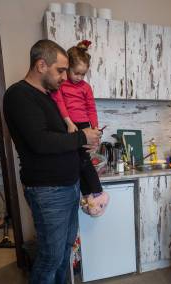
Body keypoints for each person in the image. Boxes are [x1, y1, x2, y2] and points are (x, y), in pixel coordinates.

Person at [3, 39, 101, 284]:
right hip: (47, 190)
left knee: (64, 249)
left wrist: (82, 143)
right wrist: (79, 138)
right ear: (41, 65)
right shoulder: (19, 96)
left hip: (68, 185)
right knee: (49, 255)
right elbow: (40, 142)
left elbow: (62, 139)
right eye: (60, 70)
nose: (64, 76)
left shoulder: (47, 97)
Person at [50, 40, 104, 205]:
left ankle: (94, 193)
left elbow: (91, 108)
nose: (79, 77)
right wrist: (68, 122)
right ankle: (92, 193)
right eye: (76, 73)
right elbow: (59, 103)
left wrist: (94, 128)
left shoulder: (85, 87)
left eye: (83, 74)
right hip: (69, 125)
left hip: (83, 126)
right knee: (76, 161)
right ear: (68, 68)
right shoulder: (61, 85)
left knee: (84, 159)